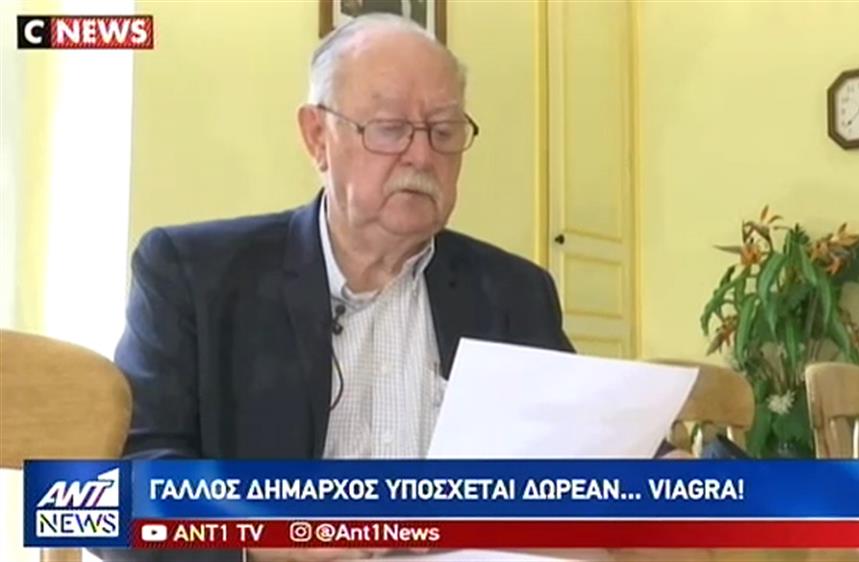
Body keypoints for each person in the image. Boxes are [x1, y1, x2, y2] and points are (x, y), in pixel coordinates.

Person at [101, 13, 572, 562]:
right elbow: (115, 493)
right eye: (389, 128)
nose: (422, 156)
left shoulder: (516, 293)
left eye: (444, 132)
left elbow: (581, 455)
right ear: (317, 137)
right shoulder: (193, 275)